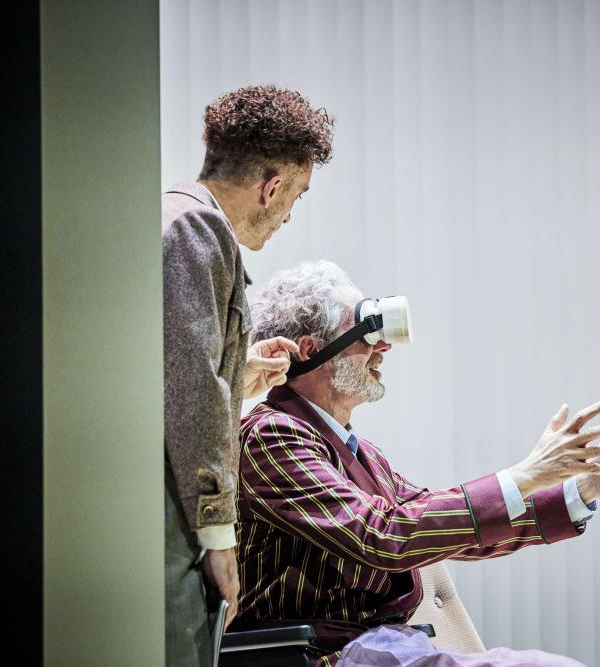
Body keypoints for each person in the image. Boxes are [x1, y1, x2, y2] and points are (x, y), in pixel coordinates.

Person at [234, 260, 600, 666]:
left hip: (381, 649)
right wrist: (527, 473)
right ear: (310, 349)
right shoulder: (273, 435)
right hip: (324, 656)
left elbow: (447, 528)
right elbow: (383, 534)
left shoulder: (359, 452)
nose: (383, 348)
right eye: (368, 332)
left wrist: (582, 489)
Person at [163, 86, 335, 666]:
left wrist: (239, 377)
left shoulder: (174, 220)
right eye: (297, 196)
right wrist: (219, 535)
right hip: (169, 528)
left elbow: (171, 376)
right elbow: (193, 395)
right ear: (273, 187)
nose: (289, 214)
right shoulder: (196, 229)